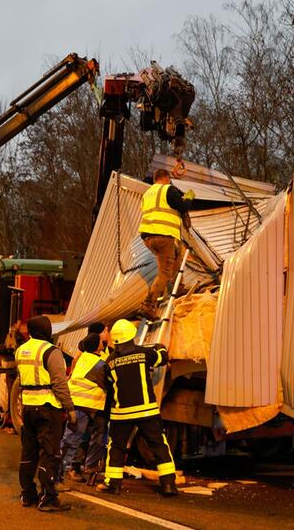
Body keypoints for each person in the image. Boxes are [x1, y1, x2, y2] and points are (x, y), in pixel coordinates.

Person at [97, 319, 178, 497]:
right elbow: (162, 358)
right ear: (131, 336)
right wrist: (160, 346)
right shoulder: (144, 353)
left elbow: (108, 385)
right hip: (146, 410)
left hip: (121, 413)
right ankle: (168, 485)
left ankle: (113, 484)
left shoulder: (110, 362)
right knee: (158, 445)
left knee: (117, 447)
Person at [16, 315, 77, 512]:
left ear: (31, 331)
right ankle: (48, 499)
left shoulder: (21, 351)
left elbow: (20, 378)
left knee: (29, 452)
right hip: (48, 408)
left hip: (28, 407)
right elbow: (59, 383)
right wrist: (70, 408)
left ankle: (28, 494)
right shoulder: (51, 351)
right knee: (50, 453)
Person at [138, 168, 194, 319]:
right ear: (167, 178)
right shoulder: (168, 189)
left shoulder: (147, 194)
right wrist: (188, 197)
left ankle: (178, 286)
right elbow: (182, 206)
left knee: (176, 254)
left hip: (148, 237)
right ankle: (148, 306)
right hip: (163, 235)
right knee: (164, 272)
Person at [57, 332, 108, 488]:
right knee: (80, 439)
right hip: (87, 404)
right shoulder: (99, 364)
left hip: (81, 404)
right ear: (96, 345)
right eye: (101, 340)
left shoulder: (84, 358)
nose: (104, 340)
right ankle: (61, 474)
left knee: (73, 439)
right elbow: (108, 382)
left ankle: (61, 472)